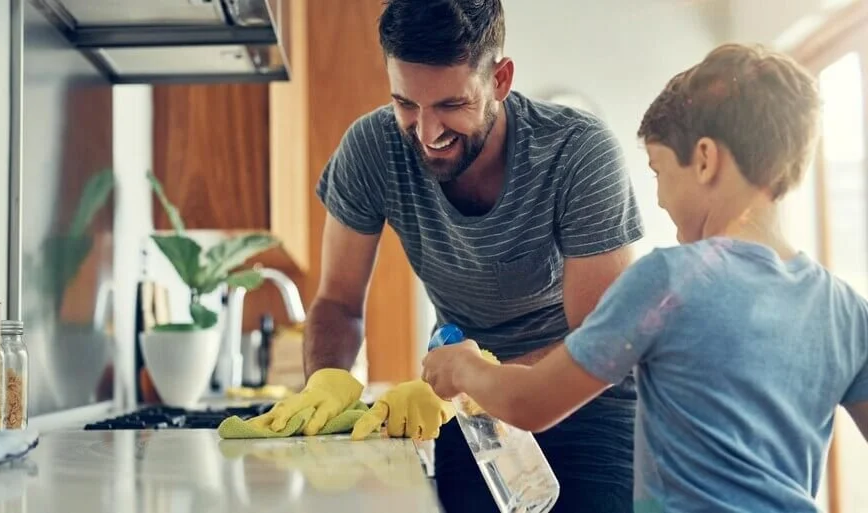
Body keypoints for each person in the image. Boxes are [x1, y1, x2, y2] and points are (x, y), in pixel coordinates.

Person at [421, 42, 868, 512]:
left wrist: (465, 365)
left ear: (704, 159)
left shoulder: (668, 282)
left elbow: (531, 404)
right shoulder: (846, 310)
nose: (657, 199)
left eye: (657, 170)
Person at [251, 0, 644, 510]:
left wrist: (467, 380)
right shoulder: (371, 150)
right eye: (406, 104)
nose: (427, 133)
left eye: (451, 106)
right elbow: (339, 303)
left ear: (500, 80)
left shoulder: (578, 154)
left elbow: (599, 342)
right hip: (469, 417)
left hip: (585, 410)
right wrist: (328, 378)